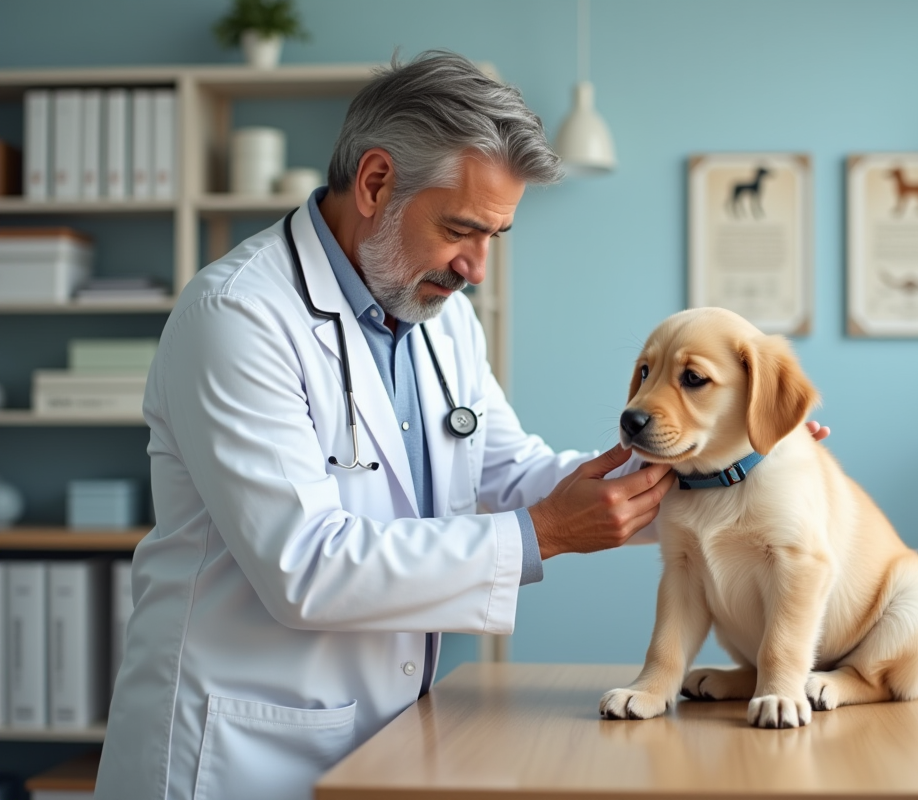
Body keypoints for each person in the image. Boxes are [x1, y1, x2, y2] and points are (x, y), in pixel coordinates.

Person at [95, 51, 827, 800]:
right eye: (461, 229)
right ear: (376, 183)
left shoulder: (438, 317)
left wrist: (734, 474)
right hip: (237, 753)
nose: (476, 267)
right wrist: (543, 532)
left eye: (494, 238)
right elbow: (304, 567)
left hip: (390, 737)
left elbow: (508, 472)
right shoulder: (239, 319)